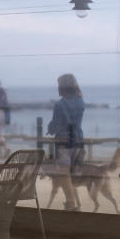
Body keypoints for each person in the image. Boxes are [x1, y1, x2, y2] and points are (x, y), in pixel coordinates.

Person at [47, 73, 85, 210]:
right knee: (71, 175)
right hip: (78, 140)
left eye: (59, 85)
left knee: (64, 174)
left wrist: (50, 128)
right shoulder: (81, 101)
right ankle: (72, 204)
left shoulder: (60, 104)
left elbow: (56, 125)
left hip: (63, 143)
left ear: (62, 86)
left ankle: (71, 204)